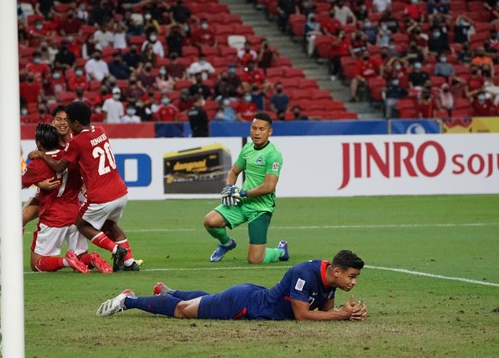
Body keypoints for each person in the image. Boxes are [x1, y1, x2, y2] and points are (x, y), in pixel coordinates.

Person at [0, 123, 113, 274]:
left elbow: (12, 187)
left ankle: (66, 261)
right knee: (81, 255)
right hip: (76, 215)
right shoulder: (69, 157)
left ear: (39, 143)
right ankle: (93, 258)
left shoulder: (38, 164)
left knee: (36, 264)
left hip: (53, 218)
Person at [97, 250, 368, 323]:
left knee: (207, 300)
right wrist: (341, 315)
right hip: (244, 305)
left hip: (252, 295)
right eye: (352, 277)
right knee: (182, 311)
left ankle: (169, 292)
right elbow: (303, 315)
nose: (353, 282)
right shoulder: (304, 273)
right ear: (336, 270)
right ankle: (127, 300)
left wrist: (347, 313)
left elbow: (324, 311)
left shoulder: (330, 279)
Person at [28, 101, 140, 271]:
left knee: (81, 224)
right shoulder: (101, 131)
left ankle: (116, 249)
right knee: (109, 225)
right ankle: (130, 262)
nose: (67, 125)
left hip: (100, 196)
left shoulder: (76, 142)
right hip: (121, 192)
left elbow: (59, 166)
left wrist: (42, 155)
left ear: (76, 123)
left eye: (69, 121)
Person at [204, 113, 287, 264]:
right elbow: (233, 172)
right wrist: (230, 187)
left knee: (255, 260)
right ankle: (226, 243)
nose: (256, 132)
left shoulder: (273, 155)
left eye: (261, 129)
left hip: (261, 207)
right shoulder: (248, 148)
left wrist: (242, 193)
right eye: (254, 128)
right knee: (210, 221)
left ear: (270, 132)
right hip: (242, 202)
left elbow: (269, 187)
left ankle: (280, 250)